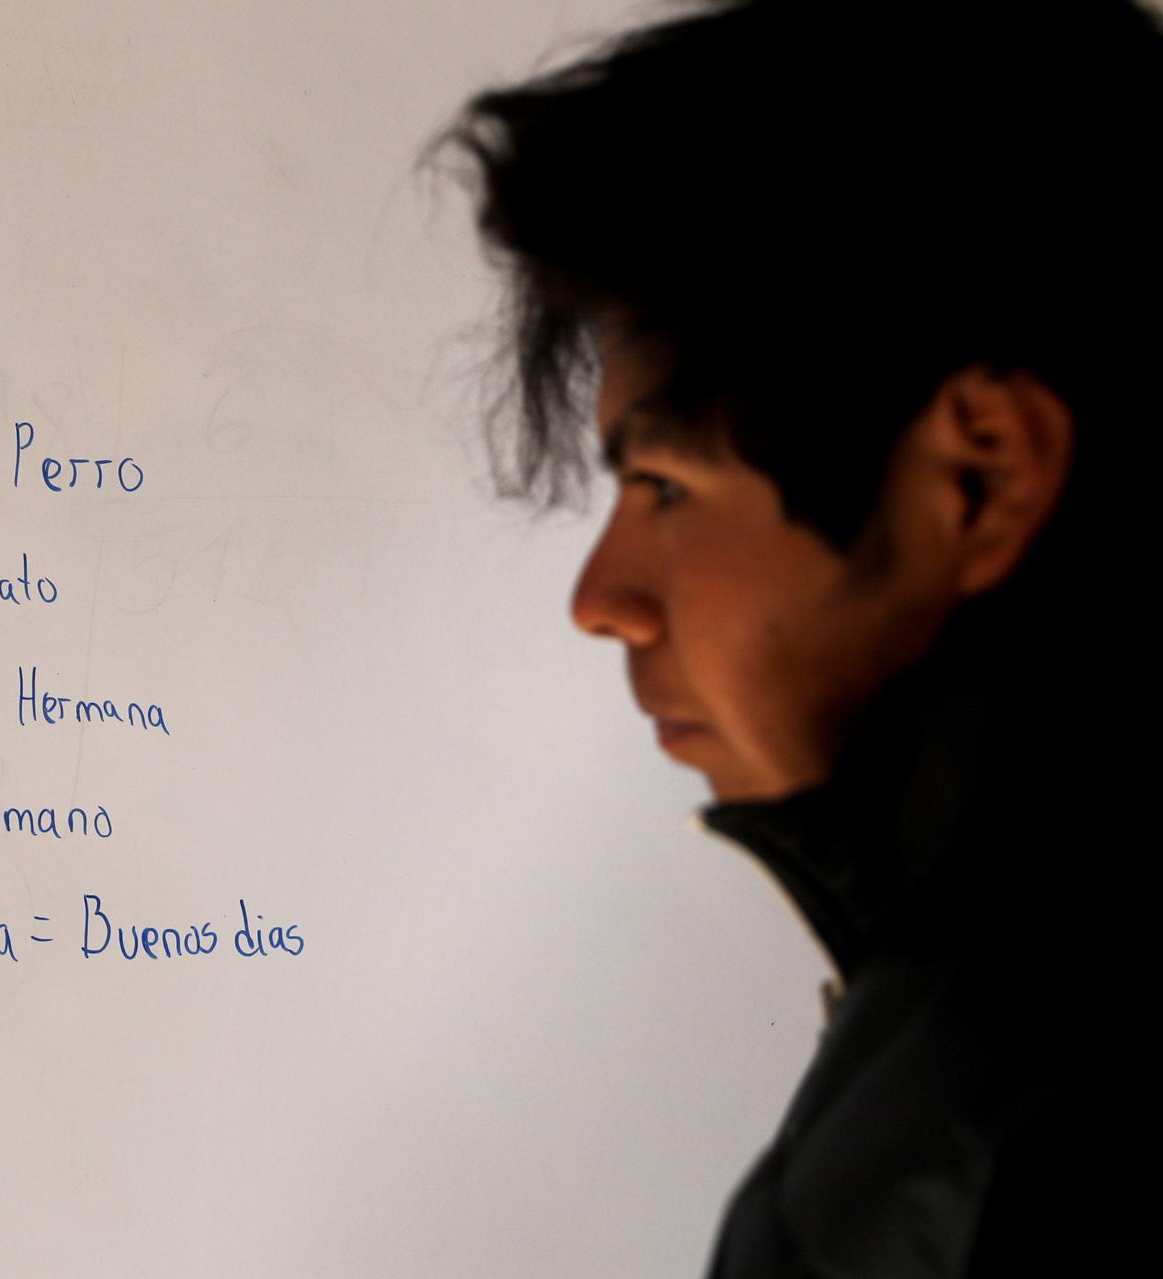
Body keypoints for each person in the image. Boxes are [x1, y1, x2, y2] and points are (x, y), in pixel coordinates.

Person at [437, 0, 1151, 1273]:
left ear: (978, 476)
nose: (599, 598)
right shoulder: (978, 1030)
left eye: (661, 485)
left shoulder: (1015, 1149)